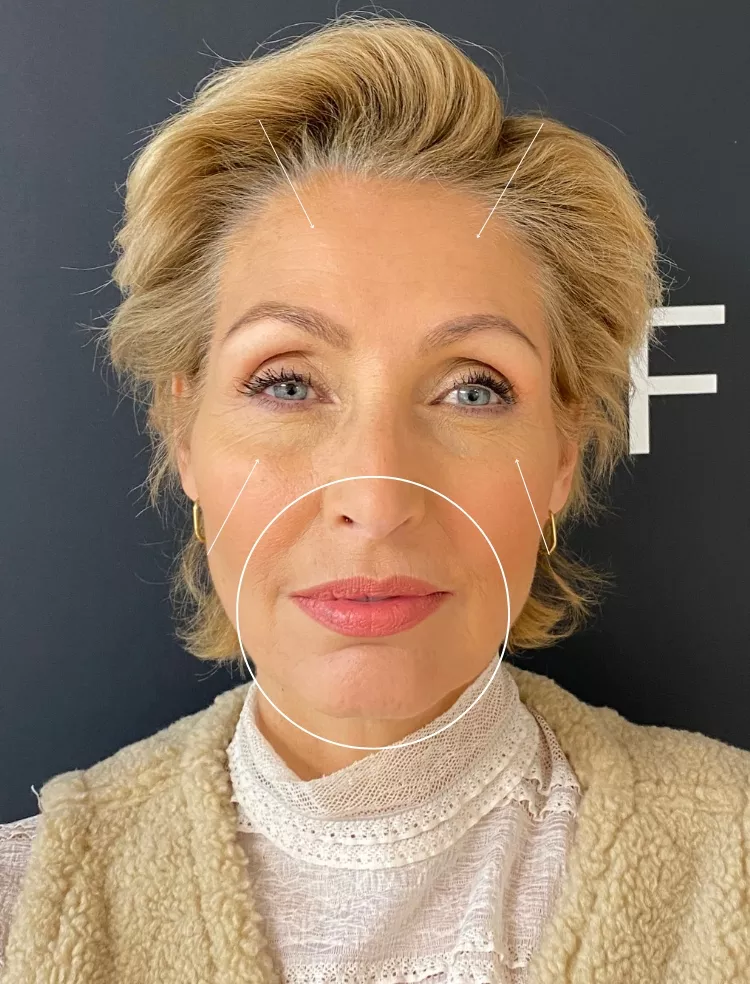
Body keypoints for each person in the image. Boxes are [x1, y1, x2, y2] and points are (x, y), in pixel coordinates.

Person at [1, 13, 748, 984]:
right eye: (286, 382)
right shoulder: (25, 907)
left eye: (473, 389)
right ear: (184, 431)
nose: (375, 495)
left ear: (563, 455)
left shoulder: (733, 862)